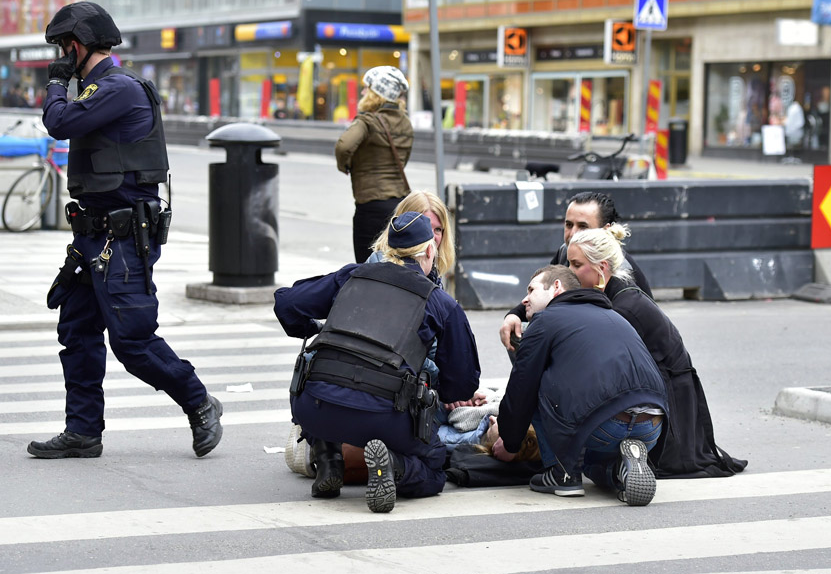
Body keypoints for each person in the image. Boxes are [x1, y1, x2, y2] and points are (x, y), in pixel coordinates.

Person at [27, 1, 223, 460]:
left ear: (76, 46)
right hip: (92, 235)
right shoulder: (98, 87)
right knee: (76, 330)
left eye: (61, 47)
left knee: (132, 340)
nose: (59, 56)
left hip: (123, 238)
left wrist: (55, 83)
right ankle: (83, 432)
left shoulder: (119, 88)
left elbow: (58, 123)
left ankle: (199, 402)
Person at [273, 212, 481, 513]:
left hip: (314, 408)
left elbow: (286, 303)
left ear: (388, 248)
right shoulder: (439, 302)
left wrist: (316, 330)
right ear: (429, 251)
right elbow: (462, 383)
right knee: (435, 467)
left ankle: (330, 460)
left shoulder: (352, 276)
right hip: (385, 417)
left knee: (329, 381)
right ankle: (395, 466)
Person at [566, 226, 747, 478]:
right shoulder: (613, 294)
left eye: (576, 265)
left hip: (668, 397)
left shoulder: (623, 308)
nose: (569, 272)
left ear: (602, 268)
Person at [490, 266, 668, 506]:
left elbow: (521, 390)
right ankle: (620, 471)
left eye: (531, 290)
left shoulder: (545, 320)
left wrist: (510, 444)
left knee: (533, 379)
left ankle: (563, 474)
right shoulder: (614, 316)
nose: (524, 299)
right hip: (652, 424)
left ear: (556, 288)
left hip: (605, 424)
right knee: (593, 465)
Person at [498, 191, 652, 352]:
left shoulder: (621, 275)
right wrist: (515, 315)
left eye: (583, 226)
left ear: (605, 231)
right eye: (569, 225)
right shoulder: (566, 253)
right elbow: (543, 292)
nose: (572, 234)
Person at [335, 65, 413, 263]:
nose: (363, 92)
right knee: (395, 265)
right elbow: (403, 159)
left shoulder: (367, 121)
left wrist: (345, 165)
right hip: (399, 205)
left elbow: (344, 146)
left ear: (377, 93)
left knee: (367, 268)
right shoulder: (405, 122)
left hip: (371, 206)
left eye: (367, 87)